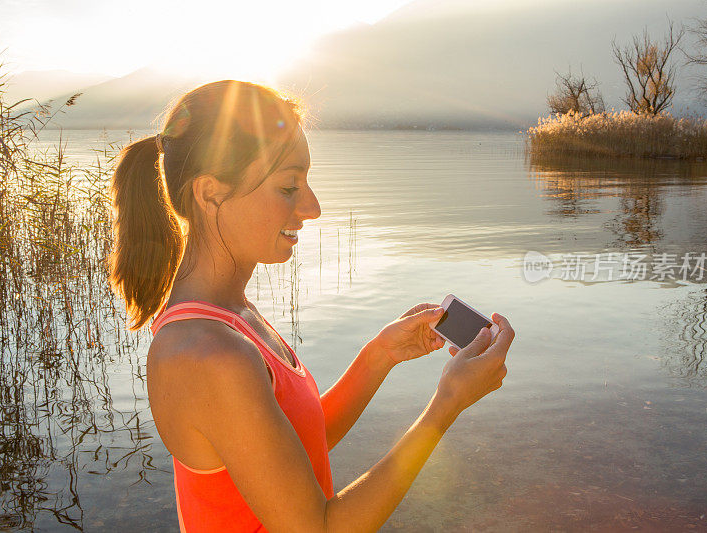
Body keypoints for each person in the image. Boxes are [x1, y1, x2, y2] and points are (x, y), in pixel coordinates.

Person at [108, 80, 514, 532]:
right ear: (210, 194)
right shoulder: (207, 354)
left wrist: (380, 355)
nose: (313, 207)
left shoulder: (231, 316)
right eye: (288, 186)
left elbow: (298, 445)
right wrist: (447, 405)